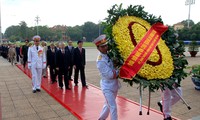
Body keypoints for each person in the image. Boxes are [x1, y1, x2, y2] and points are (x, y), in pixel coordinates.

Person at [93, 34, 121, 120]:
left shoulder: (109, 54)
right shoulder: (100, 60)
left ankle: (101, 119)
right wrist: (121, 70)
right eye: (102, 47)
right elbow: (110, 75)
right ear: (98, 48)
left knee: (108, 104)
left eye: (106, 45)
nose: (105, 48)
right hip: (107, 86)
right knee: (113, 106)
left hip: (114, 85)